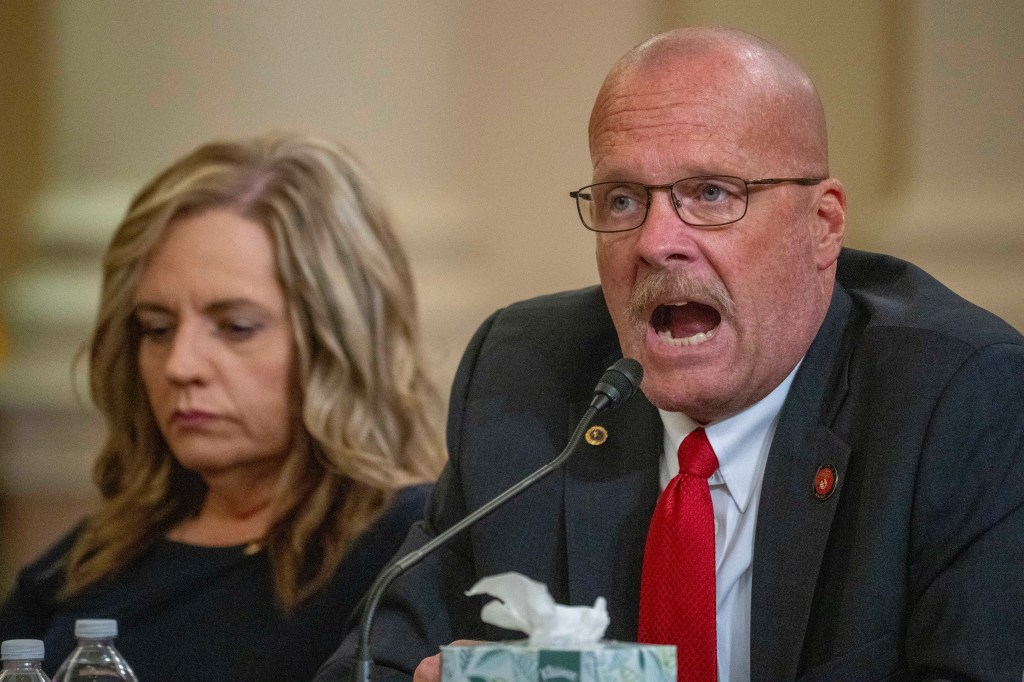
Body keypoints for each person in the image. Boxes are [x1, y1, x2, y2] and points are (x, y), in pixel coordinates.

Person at [313, 27, 1024, 682]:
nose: (656, 242)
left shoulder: (957, 402)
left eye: (711, 193)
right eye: (623, 200)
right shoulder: (522, 377)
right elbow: (380, 658)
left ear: (824, 223)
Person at [0, 132, 447, 680]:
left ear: (339, 339)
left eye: (236, 328)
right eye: (157, 328)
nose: (180, 365)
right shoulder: (95, 555)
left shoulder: (411, 547)